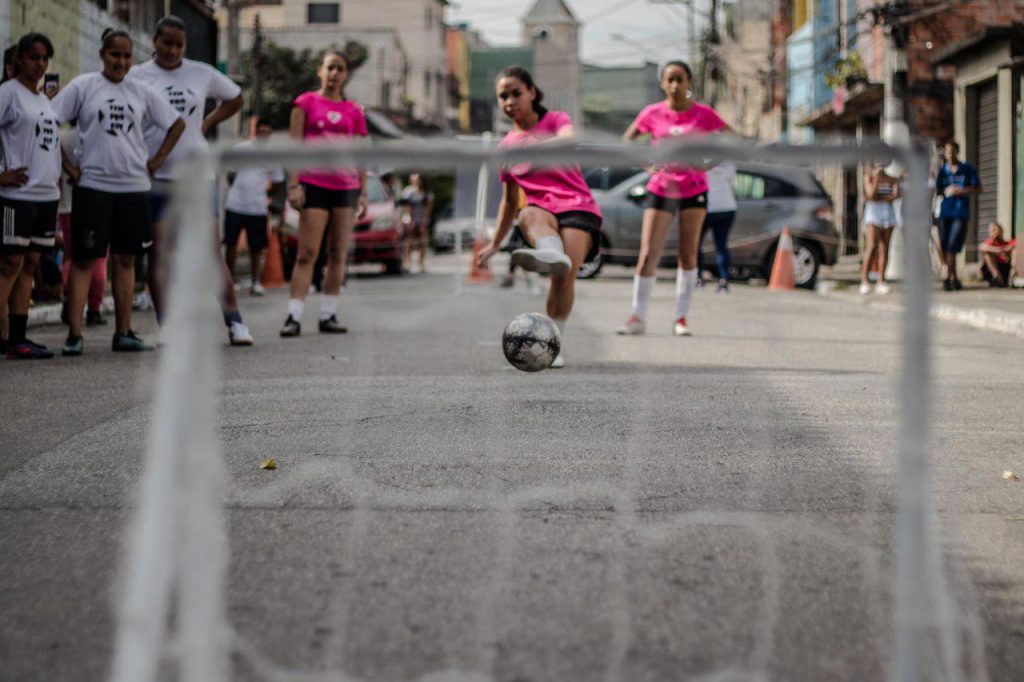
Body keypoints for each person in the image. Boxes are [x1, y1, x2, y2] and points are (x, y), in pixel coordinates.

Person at [51, 28, 185, 356]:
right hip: (93, 185)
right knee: (84, 259)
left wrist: (156, 161)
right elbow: (48, 119)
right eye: (115, 55)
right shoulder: (84, 86)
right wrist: (70, 169)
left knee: (126, 260)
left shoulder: (141, 91)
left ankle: (123, 331)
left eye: (126, 56)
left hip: (134, 187)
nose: (121, 62)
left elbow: (176, 124)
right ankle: (75, 334)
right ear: (102, 55)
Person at [131, 15, 253, 345]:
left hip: (198, 173)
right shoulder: (137, 75)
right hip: (156, 176)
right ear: (154, 41)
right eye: (166, 43)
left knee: (212, 252)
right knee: (160, 253)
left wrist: (209, 121)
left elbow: (236, 97)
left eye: (178, 45)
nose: (172, 50)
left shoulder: (200, 72)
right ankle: (167, 325)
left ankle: (235, 322)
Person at [476, 65, 602, 369]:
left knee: (564, 279)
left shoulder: (556, 120)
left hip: (578, 206)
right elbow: (508, 203)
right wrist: (495, 243)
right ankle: (550, 251)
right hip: (541, 211)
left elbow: (569, 140)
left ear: (532, 92)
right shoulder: (506, 147)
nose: (510, 101)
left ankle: (553, 343)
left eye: (516, 93)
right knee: (527, 212)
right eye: (503, 96)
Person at [617, 60, 733, 337]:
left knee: (687, 253)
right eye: (669, 80)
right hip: (661, 188)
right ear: (662, 83)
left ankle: (680, 317)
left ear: (689, 82)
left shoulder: (703, 115)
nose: (675, 85)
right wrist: (646, 163)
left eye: (680, 79)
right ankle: (637, 316)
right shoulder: (652, 113)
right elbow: (627, 141)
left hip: (694, 189)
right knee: (648, 254)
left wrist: (711, 161)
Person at [280, 49, 367, 337]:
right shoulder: (305, 103)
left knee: (337, 254)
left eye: (340, 68)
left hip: (346, 189)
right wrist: (293, 186)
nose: (334, 74)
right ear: (320, 70)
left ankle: (328, 315)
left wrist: (363, 193)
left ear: (346, 75)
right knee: (307, 253)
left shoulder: (354, 111)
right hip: (314, 185)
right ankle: (293, 316)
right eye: (329, 67)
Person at [0, 33, 61, 359]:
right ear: (19, 60)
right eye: (33, 57)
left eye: (44, 58)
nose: (39, 64)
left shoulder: (43, 100)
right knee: (9, 263)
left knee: (29, 264)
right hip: (16, 195)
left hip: (45, 196)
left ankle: (17, 340)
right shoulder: (8, 94)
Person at [223, 119, 284, 295]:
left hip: (257, 206)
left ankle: (255, 281)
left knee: (256, 246)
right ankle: (229, 281)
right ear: (255, 131)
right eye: (261, 131)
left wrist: (265, 194)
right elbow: (231, 174)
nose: (263, 134)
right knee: (231, 243)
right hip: (235, 203)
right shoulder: (241, 149)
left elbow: (278, 181)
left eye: (267, 131)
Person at [935, 140, 981, 291]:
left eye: (952, 151)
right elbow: (938, 190)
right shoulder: (943, 171)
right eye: (947, 151)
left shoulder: (967, 169)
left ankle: (950, 277)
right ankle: (953, 276)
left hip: (960, 212)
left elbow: (978, 188)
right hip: (945, 213)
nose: (950, 154)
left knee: (952, 246)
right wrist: (946, 191)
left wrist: (961, 191)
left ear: (957, 152)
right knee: (944, 245)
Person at [859, 162, 901, 295]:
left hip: (888, 213)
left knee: (885, 248)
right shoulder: (868, 177)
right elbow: (871, 195)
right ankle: (864, 281)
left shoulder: (892, 178)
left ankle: (881, 281)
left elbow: (896, 195)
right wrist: (876, 179)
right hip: (873, 214)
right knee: (871, 246)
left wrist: (881, 198)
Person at [698, 161, 737, 294]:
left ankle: (698, 277)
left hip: (707, 207)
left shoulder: (702, 157)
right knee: (721, 245)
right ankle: (724, 280)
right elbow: (732, 181)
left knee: (697, 244)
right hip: (727, 206)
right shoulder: (728, 162)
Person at [401, 173, 433, 273]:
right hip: (410, 219)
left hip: (421, 219)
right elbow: (407, 207)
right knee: (409, 241)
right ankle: (407, 262)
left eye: (417, 179)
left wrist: (424, 221)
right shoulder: (408, 192)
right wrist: (411, 220)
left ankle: (421, 263)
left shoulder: (427, 193)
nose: (415, 182)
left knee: (422, 241)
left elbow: (428, 208)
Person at [978, 222, 1015, 288]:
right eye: (992, 230)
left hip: (1006, 268)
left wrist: (1005, 250)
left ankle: (1012, 276)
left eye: (996, 229)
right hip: (993, 271)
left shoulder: (1008, 242)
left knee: (1015, 251)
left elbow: (1015, 244)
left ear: (1002, 231)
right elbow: (982, 247)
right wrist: (999, 250)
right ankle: (997, 278)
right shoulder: (988, 243)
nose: (995, 232)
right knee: (987, 254)